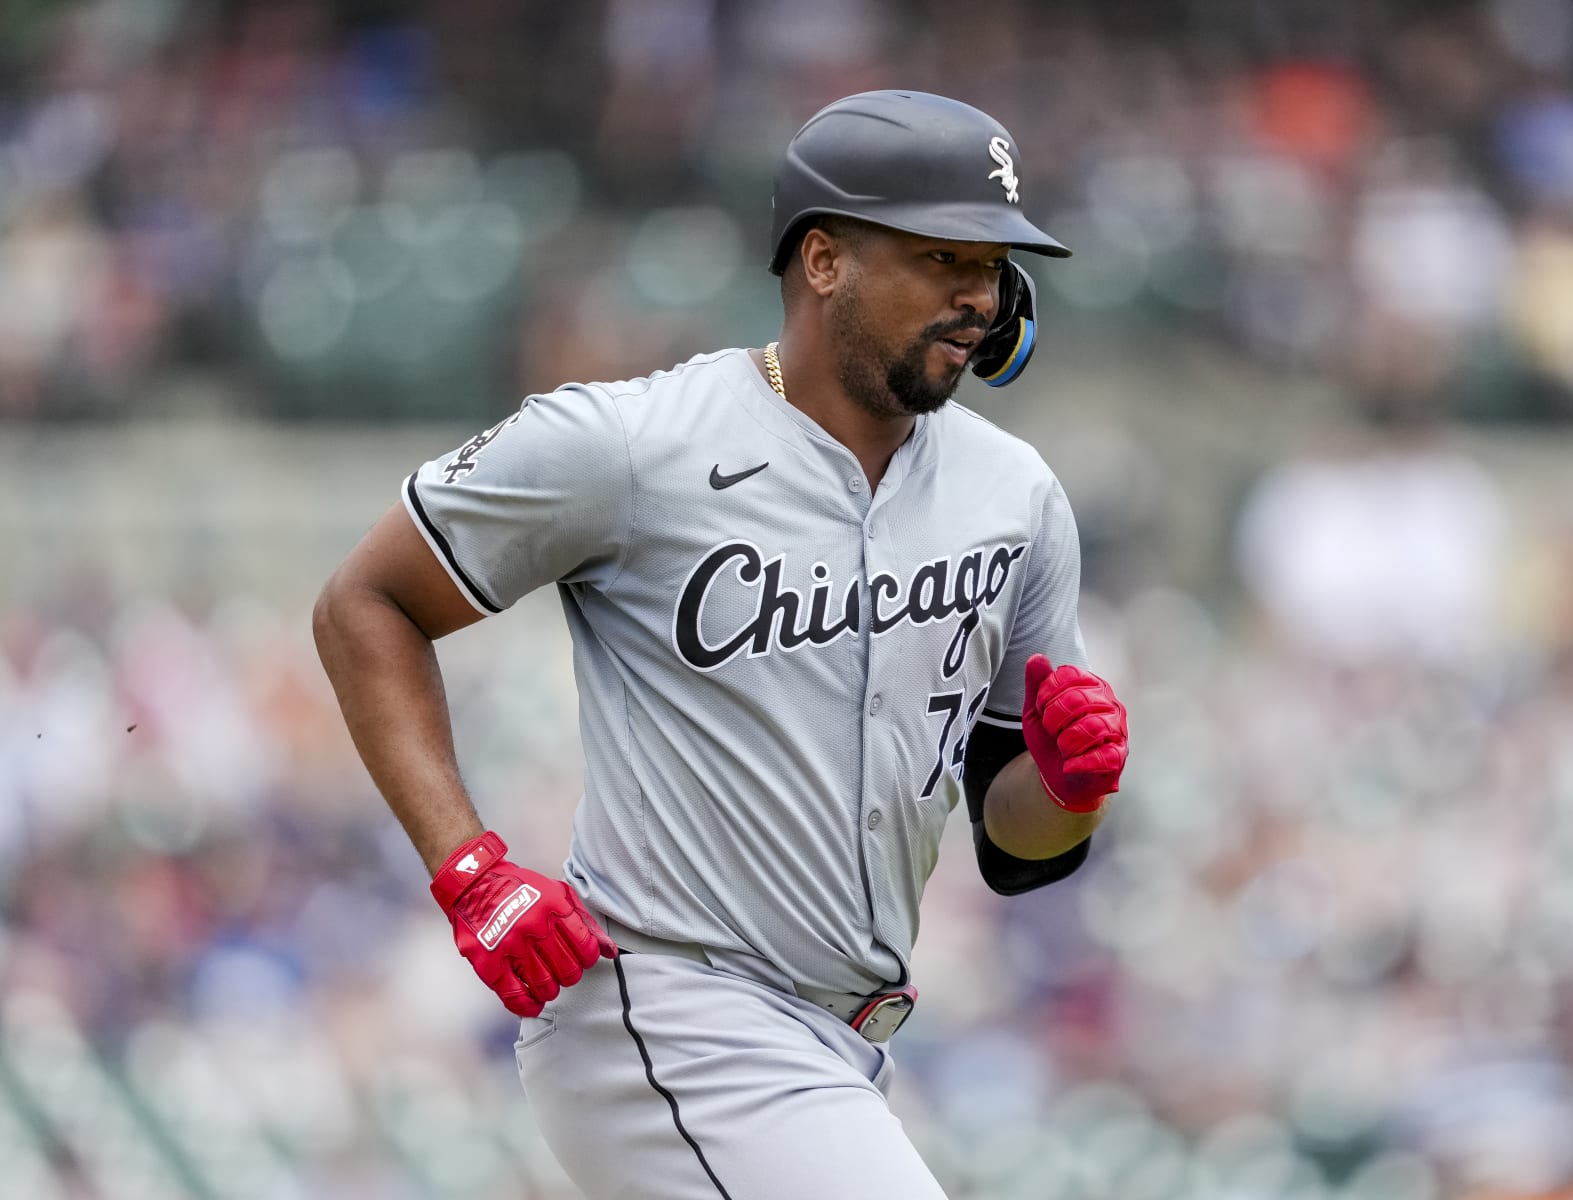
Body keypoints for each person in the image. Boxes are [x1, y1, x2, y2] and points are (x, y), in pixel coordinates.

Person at [313, 90, 1130, 1200]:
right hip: (666, 1007)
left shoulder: (1016, 496)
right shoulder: (635, 444)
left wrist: (1070, 786)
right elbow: (366, 604)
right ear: (826, 259)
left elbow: (1017, 840)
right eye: (941, 255)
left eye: (992, 263)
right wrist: (470, 869)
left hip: (844, 1040)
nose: (978, 294)